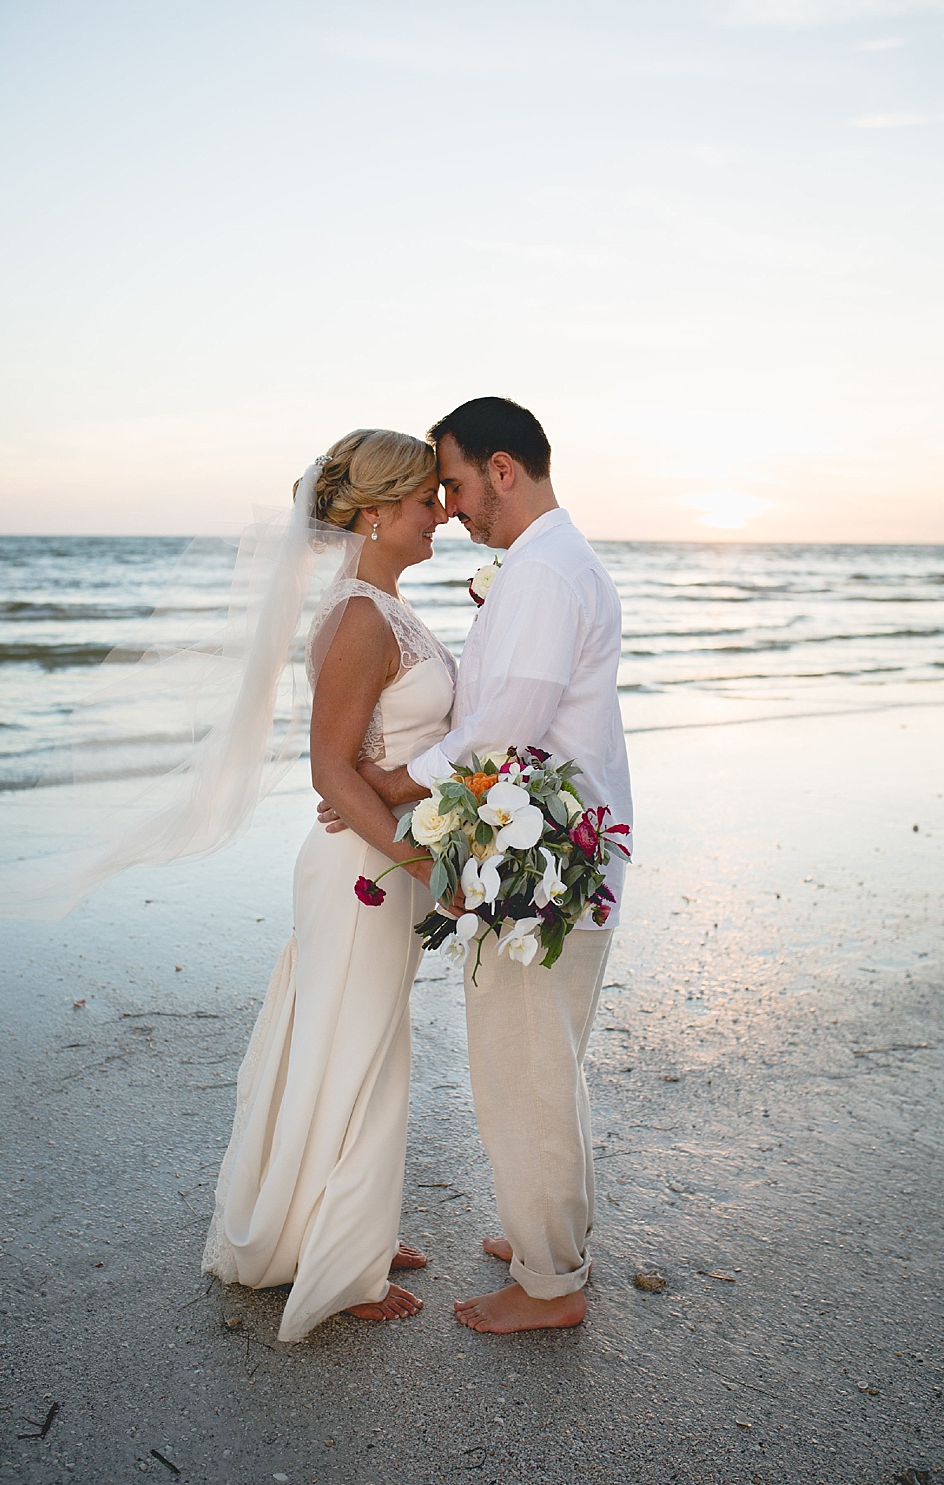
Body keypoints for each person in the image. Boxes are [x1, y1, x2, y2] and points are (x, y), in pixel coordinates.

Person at [334, 395, 632, 1334]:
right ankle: (551, 1237)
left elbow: (503, 726)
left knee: (524, 1069)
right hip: (563, 850)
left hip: (538, 863)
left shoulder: (541, 576)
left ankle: (550, 1285)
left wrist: (390, 779)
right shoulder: (551, 563)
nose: (452, 508)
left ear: (504, 469)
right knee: (551, 1060)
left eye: (457, 485)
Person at [201, 430, 455, 1340]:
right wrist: (424, 860)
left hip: (379, 858)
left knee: (366, 1041)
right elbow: (329, 769)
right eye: (427, 499)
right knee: (349, 1045)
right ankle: (337, 1262)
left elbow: (383, 760)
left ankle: (350, 1226)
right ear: (379, 513)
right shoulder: (359, 617)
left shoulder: (387, 606)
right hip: (366, 870)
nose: (443, 512)